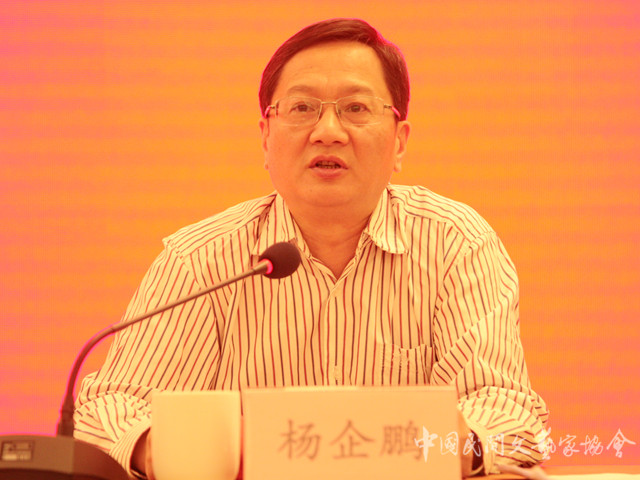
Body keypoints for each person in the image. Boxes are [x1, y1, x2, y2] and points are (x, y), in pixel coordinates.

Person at [74, 18, 549, 479]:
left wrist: (453, 447)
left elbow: (507, 412)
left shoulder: (455, 245)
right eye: (302, 108)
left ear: (399, 142)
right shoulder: (202, 260)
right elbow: (111, 406)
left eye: (356, 108)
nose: (328, 131)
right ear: (265, 137)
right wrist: (161, 448)